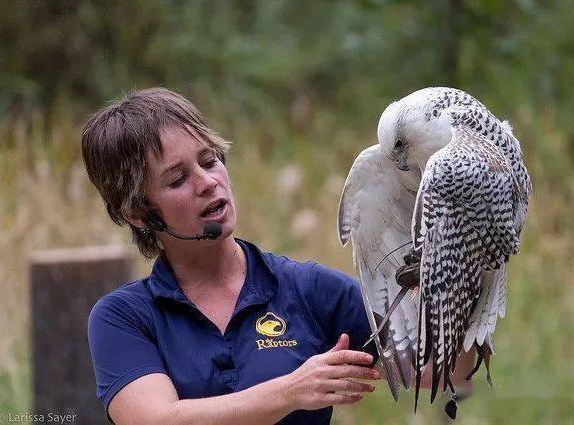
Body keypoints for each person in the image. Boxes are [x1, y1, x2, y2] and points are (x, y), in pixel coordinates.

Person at [83, 87, 380, 425]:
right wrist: (291, 390)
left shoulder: (308, 288)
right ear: (138, 212)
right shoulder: (122, 318)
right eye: (178, 179)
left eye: (209, 160)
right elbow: (155, 420)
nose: (207, 181)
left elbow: (435, 366)